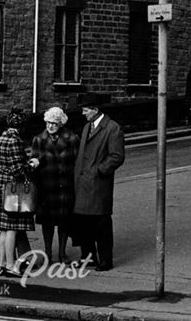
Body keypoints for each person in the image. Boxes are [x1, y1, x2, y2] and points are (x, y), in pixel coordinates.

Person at [72, 93, 125, 272]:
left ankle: (105, 259)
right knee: (83, 223)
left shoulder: (112, 128)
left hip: (98, 184)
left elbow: (117, 156)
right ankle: (89, 257)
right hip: (83, 183)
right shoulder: (88, 127)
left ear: (95, 110)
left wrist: (99, 170)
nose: (83, 113)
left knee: (101, 224)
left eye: (85, 110)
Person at [0, 107, 40, 276]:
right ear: (23, 126)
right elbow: (18, 170)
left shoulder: (1, 138)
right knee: (12, 228)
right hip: (13, 189)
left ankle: (2, 264)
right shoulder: (16, 141)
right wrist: (32, 165)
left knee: (3, 229)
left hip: (2, 186)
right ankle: (12, 266)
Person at [31, 106, 79, 264]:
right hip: (46, 187)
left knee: (64, 222)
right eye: (47, 122)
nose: (50, 126)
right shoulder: (39, 139)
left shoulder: (72, 139)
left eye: (54, 123)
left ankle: (62, 253)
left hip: (65, 186)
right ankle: (47, 253)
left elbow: (77, 163)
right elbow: (33, 165)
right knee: (47, 223)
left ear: (61, 124)